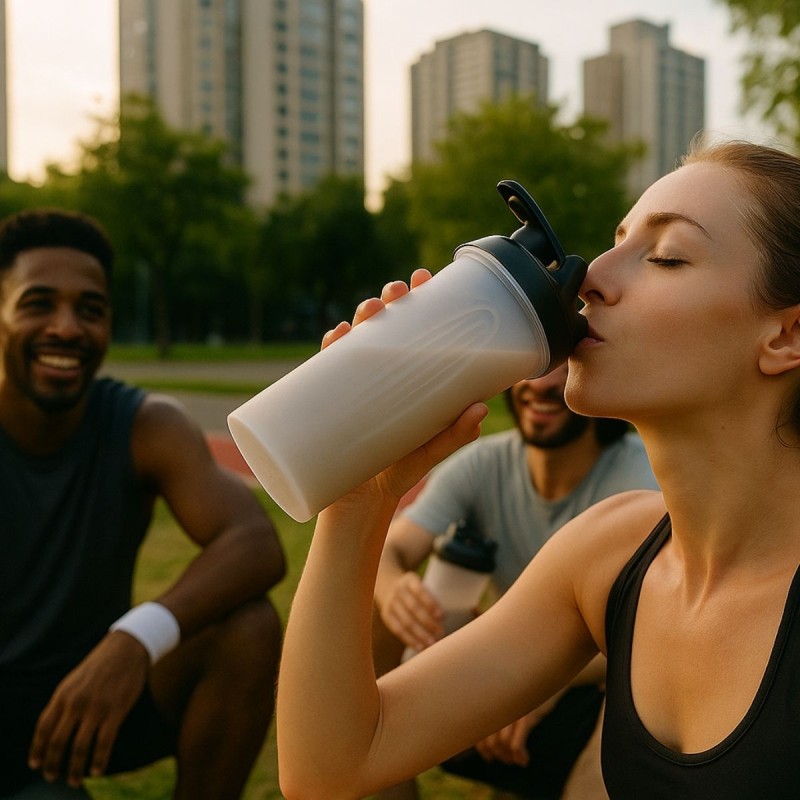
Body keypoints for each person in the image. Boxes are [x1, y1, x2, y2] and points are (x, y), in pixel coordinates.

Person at [277, 139, 800, 799]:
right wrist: (356, 500)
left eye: (666, 257)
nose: (590, 278)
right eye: (616, 242)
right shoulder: (607, 554)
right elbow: (331, 768)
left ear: (787, 335)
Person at [0, 209, 286, 799]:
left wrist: (135, 638)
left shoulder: (141, 424)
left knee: (249, 628)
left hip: (92, 696)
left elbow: (254, 543)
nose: (67, 328)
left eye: (91, 309)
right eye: (37, 303)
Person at [373, 366, 657, 799]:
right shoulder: (483, 464)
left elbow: (655, 631)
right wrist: (395, 588)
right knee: (375, 613)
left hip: (595, 680)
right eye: (533, 367)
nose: (540, 385)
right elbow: (391, 552)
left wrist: (541, 683)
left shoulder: (639, 478)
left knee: (637, 688)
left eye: (563, 370)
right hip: (512, 667)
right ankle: (380, 768)